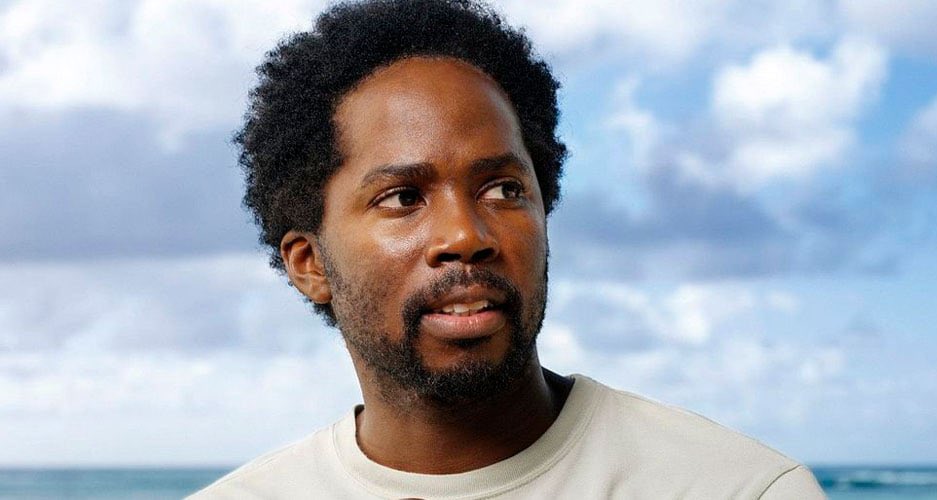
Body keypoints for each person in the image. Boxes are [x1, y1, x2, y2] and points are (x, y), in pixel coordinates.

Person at [191, 0, 826, 498]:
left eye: (502, 189)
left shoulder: (740, 490)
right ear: (309, 264)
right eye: (403, 198)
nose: (466, 235)